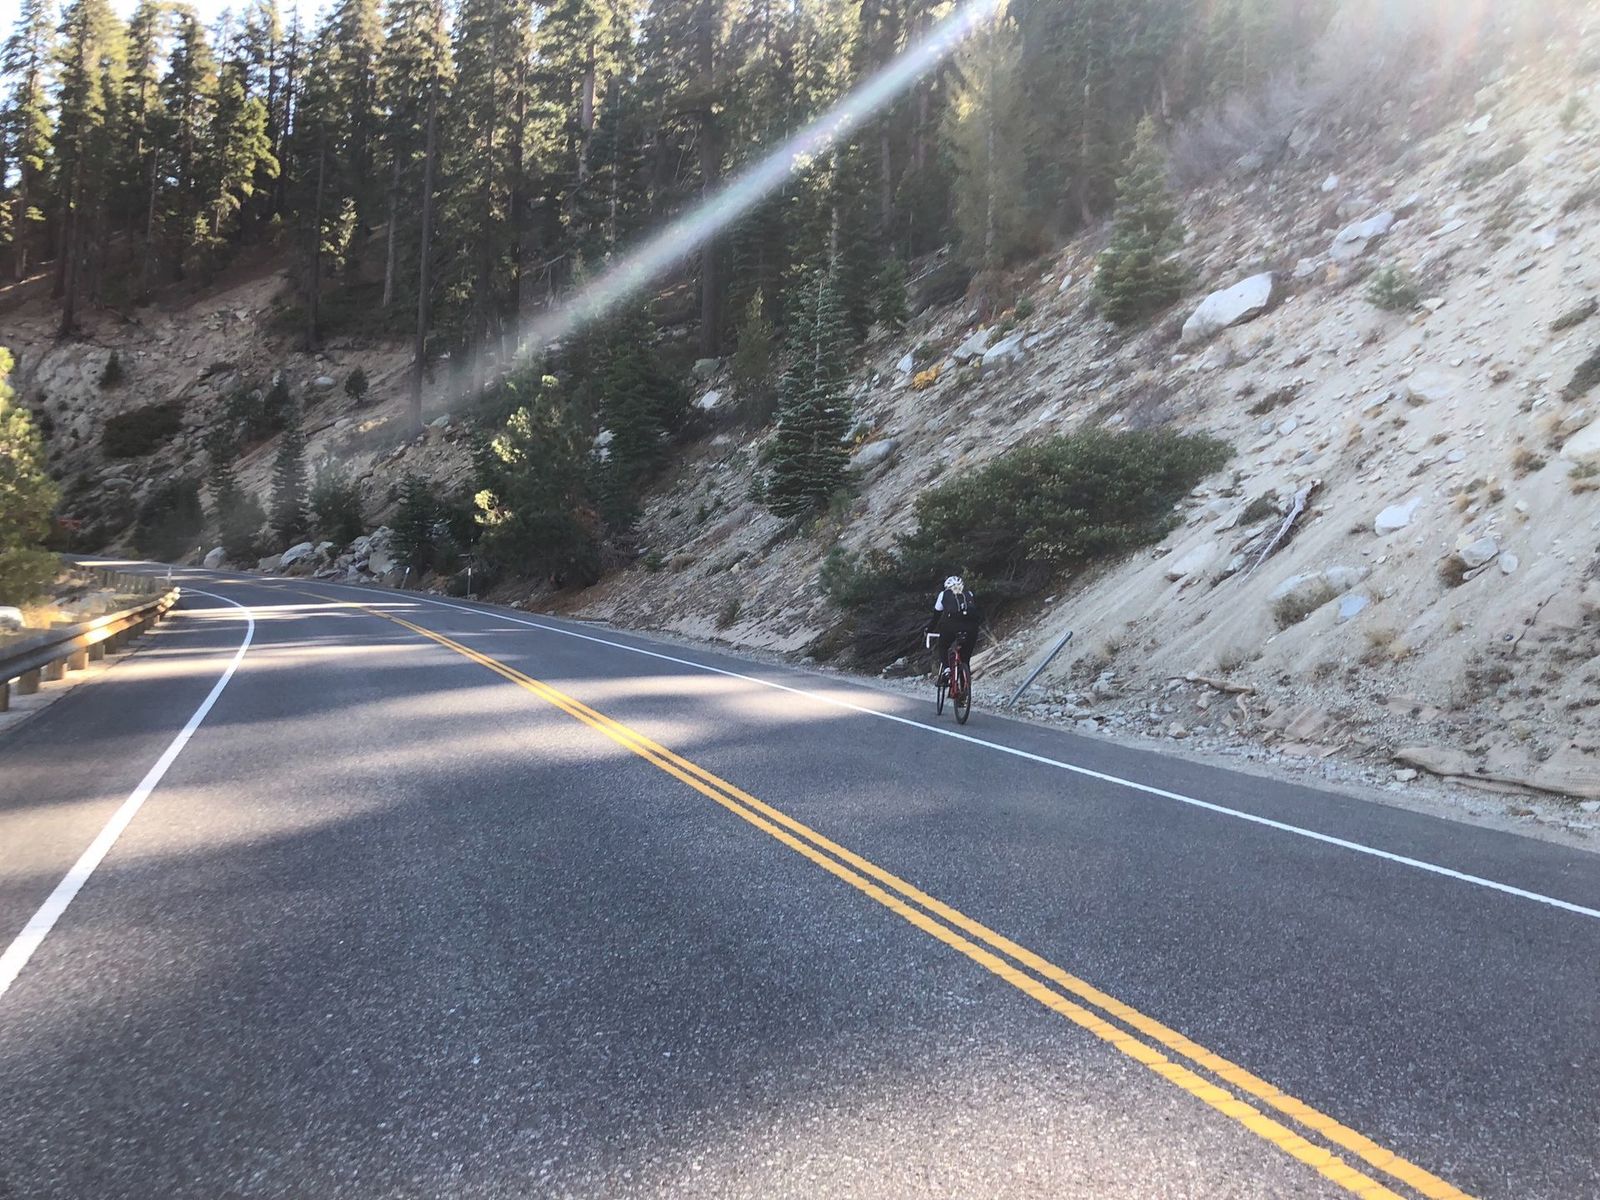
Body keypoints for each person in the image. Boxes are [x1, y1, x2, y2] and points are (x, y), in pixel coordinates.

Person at [926, 575, 981, 681]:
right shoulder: (969, 594)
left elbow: (936, 616)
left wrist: (929, 629)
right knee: (965, 659)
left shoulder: (943, 594)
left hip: (951, 627)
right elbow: (977, 612)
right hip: (971, 628)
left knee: (943, 646)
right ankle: (965, 684)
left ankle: (947, 669)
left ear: (947, 587)